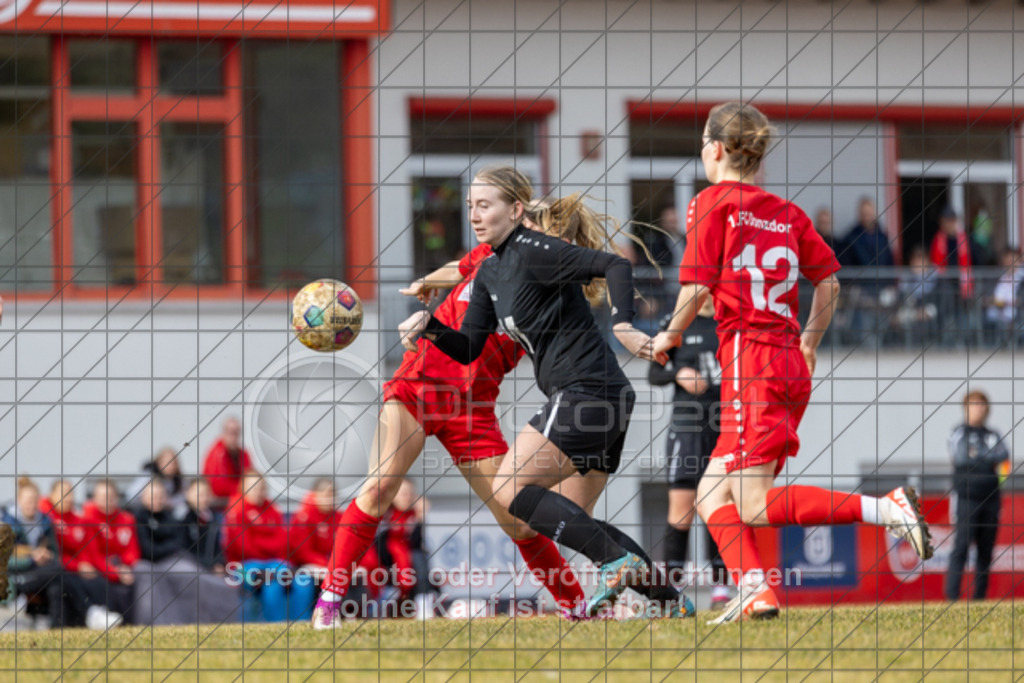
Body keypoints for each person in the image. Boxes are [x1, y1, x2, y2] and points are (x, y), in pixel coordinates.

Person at [652, 102, 932, 623]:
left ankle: (887, 508)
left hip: (749, 360)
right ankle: (756, 589)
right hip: (785, 360)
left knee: (752, 503)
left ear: (714, 149)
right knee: (712, 494)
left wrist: (667, 335)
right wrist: (809, 341)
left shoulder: (711, 202)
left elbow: (694, 286)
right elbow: (829, 281)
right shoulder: (787, 212)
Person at [400, 168, 690, 619]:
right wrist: (431, 327)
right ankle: (670, 602)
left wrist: (623, 325)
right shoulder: (491, 271)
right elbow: (469, 348)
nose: (475, 215)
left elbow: (614, 264)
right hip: (602, 397)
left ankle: (614, 563)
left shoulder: (534, 251)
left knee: (510, 488)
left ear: (515, 210)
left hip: (588, 391)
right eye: (471, 205)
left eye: (486, 205)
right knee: (575, 518)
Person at [309, 198, 606, 629]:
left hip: (474, 408)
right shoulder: (495, 251)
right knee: (379, 488)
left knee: (519, 520)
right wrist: (427, 282)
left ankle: (578, 608)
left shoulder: (557, 297)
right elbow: (459, 266)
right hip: (420, 386)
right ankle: (329, 605)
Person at [648, 298, 731, 609]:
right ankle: (672, 594)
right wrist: (677, 373)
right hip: (686, 427)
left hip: (725, 426)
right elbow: (653, 374)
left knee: (718, 507)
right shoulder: (676, 320)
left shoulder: (730, 317)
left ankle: (721, 592)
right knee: (681, 512)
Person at [945, 390, 1011, 601]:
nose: (978, 409)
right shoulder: (958, 433)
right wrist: (987, 458)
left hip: (991, 498)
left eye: (982, 405)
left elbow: (1004, 458)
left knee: (986, 550)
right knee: (961, 547)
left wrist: (980, 456)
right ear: (965, 408)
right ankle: (952, 598)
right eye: (974, 404)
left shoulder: (993, 435)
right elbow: (962, 458)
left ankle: (979, 599)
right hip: (966, 498)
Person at [224, 470, 314, 622]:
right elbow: (244, 547)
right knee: (272, 582)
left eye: (260, 487)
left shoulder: (272, 509)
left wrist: (264, 544)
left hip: (275, 563)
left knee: (302, 580)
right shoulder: (237, 510)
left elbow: (283, 541)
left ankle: (301, 623)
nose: (257, 491)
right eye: (252, 487)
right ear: (243, 488)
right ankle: (276, 626)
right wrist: (270, 546)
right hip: (243, 566)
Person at [79, 479, 140, 627]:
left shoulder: (126, 519)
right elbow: (94, 556)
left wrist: (125, 566)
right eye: (103, 497)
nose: (107, 501)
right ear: (94, 498)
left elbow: (133, 550)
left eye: (111, 496)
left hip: (122, 568)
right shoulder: (88, 520)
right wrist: (116, 572)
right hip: (100, 571)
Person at [2, 477, 60, 628]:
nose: (31, 504)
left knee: (56, 580)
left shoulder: (45, 522)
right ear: (19, 501)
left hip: (40, 572)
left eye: (35, 500)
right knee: (56, 573)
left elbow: (55, 554)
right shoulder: (7, 523)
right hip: (14, 574)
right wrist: (32, 559)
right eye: (28, 500)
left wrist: (46, 555)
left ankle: (54, 626)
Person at [203, 417, 253, 505]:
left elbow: (250, 477)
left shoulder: (243, 454)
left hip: (239, 501)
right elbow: (218, 487)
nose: (233, 436)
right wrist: (243, 488)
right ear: (224, 432)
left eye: (236, 432)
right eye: (230, 432)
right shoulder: (217, 453)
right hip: (221, 504)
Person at [181, 478, 226, 573]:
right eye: (199, 495)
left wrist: (219, 563)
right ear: (188, 495)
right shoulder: (183, 518)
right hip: (191, 568)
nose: (204, 498)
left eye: (207, 494)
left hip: (212, 568)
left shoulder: (216, 518)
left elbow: (219, 547)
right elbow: (182, 550)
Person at [126, 447, 187, 516]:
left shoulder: (178, 481)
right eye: (167, 462)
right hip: (145, 512)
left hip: (167, 514)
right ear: (158, 462)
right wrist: (149, 499)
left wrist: (166, 502)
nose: (171, 466)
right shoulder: (147, 476)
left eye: (173, 463)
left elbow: (183, 499)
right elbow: (131, 496)